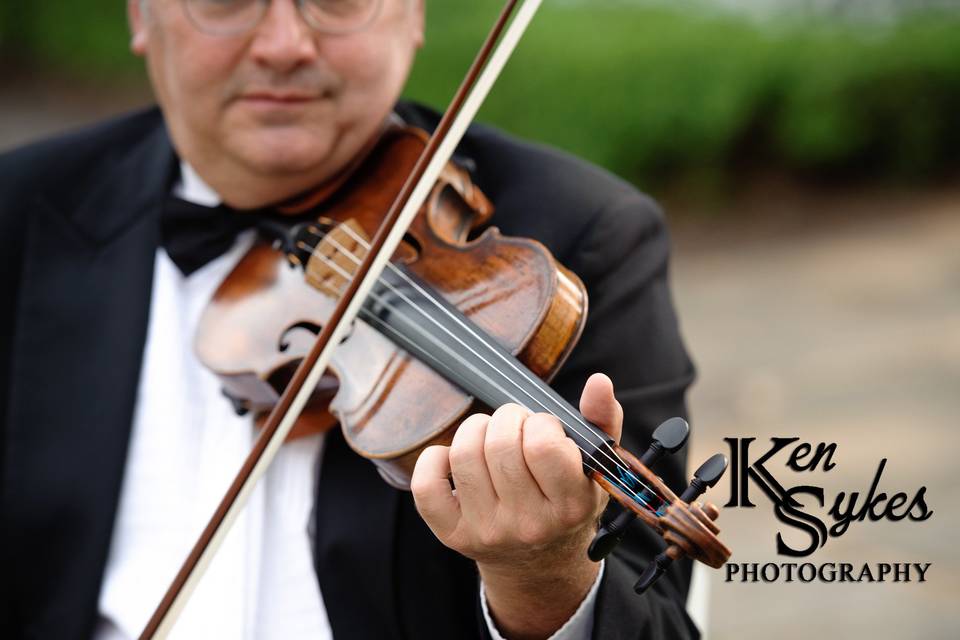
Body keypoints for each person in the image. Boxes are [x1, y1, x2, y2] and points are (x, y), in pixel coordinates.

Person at [0, 1, 700, 638]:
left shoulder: (578, 239)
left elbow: (657, 624)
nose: (284, 44)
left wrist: (544, 583)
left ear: (414, 15)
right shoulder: (21, 213)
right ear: (141, 17)